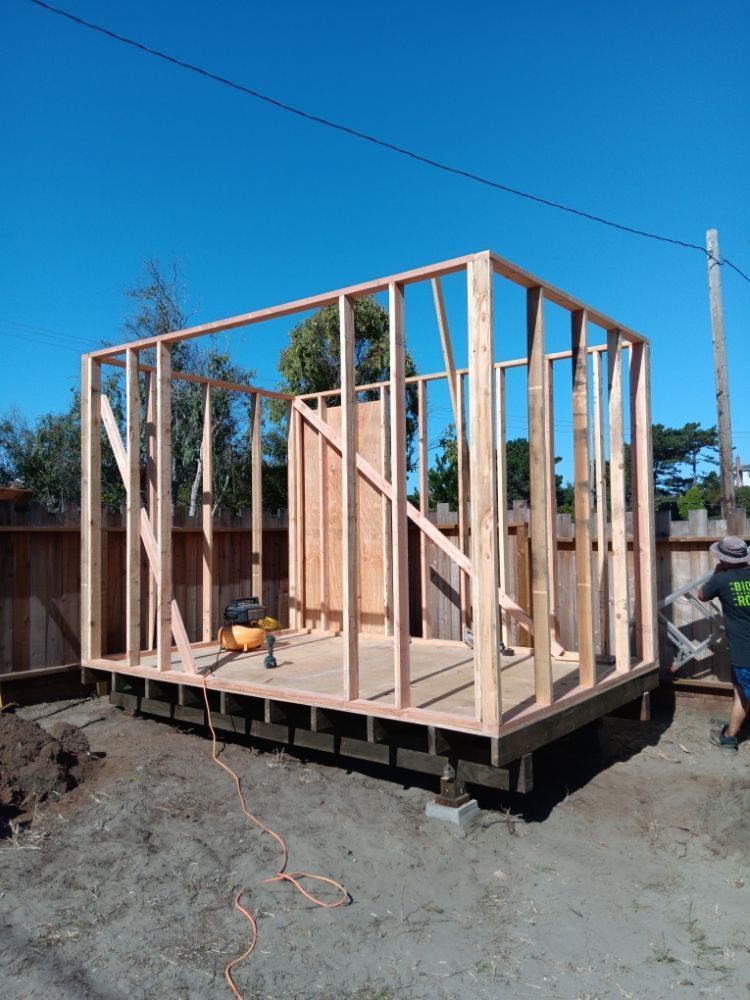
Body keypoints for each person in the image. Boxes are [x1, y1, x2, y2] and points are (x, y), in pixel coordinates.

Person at [697, 535, 750, 753]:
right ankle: (729, 738)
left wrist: (717, 573)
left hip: (744, 653)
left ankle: (730, 739)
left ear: (724, 559)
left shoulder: (721, 580)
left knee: (743, 692)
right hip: (742, 654)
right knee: (741, 693)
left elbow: (702, 595)